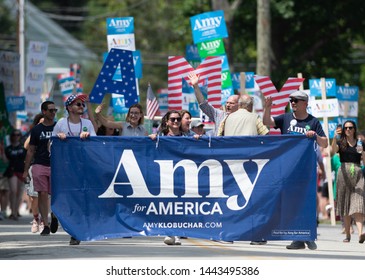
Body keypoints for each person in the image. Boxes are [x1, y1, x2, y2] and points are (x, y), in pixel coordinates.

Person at [263, 90, 328, 250]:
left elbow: (325, 143)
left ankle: (308, 236)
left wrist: (315, 136)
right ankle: (297, 238)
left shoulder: (313, 122)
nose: (292, 102)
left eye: (296, 100)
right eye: (291, 100)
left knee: (306, 204)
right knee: (291, 204)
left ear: (305, 103)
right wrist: (267, 108)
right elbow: (267, 123)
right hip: (287, 170)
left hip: (305, 171)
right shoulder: (285, 118)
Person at [223, 94, 269, 245]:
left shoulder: (227, 118)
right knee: (253, 201)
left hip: (230, 164)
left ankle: (229, 235)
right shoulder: (254, 117)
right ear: (249, 106)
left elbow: (218, 138)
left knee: (231, 200)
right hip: (250, 165)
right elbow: (266, 135)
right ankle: (255, 236)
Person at [52, 94, 96, 245]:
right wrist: (58, 138)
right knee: (68, 199)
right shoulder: (61, 123)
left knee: (80, 199)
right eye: (78, 104)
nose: (81, 107)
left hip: (83, 167)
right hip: (65, 168)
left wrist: (89, 137)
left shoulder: (88, 123)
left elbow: (95, 144)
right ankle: (56, 215)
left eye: (82, 105)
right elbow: (50, 146)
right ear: (69, 107)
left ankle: (75, 233)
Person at [23, 101, 58, 236]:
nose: (53, 113)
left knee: (55, 193)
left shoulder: (58, 127)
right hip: (39, 164)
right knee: (42, 194)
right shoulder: (37, 130)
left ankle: (54, 214)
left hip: (56, 165)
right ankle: (46, 224)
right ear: (44, 112)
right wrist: (26, 170)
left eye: (55, 110)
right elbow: (31, 150)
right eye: (51, 110)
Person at [330, 121, 365, 243]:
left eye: (350, 127)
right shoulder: (341, 142)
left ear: (354, 129)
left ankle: (361, 233)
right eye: (346, 128)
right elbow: (332, 152)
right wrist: (334, 137)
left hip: (358, 172)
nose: (348, 130)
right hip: (343, 172)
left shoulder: (361, 143)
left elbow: (364, 162)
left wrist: (363, 153)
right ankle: (348, 234)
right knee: (345, 203)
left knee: (358, 203)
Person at [188, 71, 239, 135]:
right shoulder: (220, 115)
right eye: (227, 103)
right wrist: (195, 86)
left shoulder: (243, 118)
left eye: (231, 103)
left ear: (239, 105)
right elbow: (203, 105)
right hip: (219, 144)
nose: (228, 105)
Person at [24, 113, 45, 232]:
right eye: (40, 123)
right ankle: (35, 218)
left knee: (44, 195)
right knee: (33, 197)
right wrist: (35, 131)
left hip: (46, 166)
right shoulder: (35, 133)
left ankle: (42, 220)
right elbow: (26, 146)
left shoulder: (50, 132)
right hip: (34, 166)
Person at [5, 129, 27, 220]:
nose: (16, 136)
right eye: (14, 135)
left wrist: (27, 171)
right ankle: (13, 212)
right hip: (12, 171)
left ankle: (16, 210)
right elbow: (5, 160)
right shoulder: (8, 148)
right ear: (11, 136)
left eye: (18, 135)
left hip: (21, 171)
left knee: (19, 192)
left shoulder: (23, 148)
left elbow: (27, 160)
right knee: (13, 191)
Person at [0, 139, 9, 220]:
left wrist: (2, 152)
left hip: (4, 174)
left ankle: (3, 211)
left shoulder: (5, 150)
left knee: (4, 192)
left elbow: (6, 161)